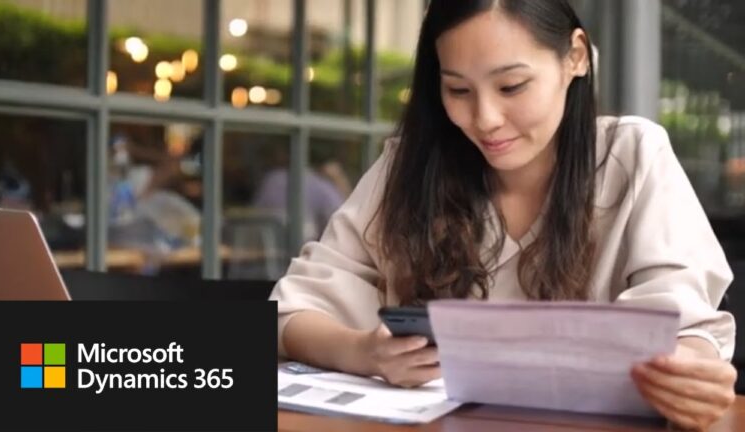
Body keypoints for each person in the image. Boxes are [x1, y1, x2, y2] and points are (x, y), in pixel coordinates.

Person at [269, 1, 737, 429]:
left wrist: (687, 370)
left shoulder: (632, 155)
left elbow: (685, 323)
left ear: (575, 56)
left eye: (511, 85)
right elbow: (291, 309)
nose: (485, 118)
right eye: (458, 89)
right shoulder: (409, 167)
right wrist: (363, 352)